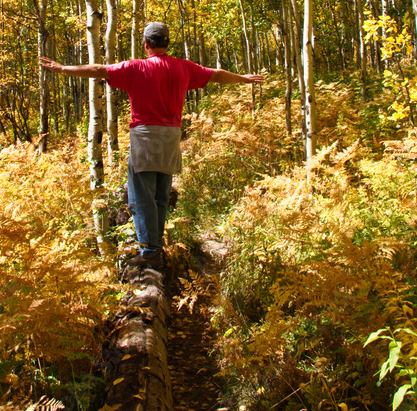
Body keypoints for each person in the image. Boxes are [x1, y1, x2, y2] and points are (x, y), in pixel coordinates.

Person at [40, 22, 264, 268]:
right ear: (166, 43)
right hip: (171, 137)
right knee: (160, 196)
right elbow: (216, 75)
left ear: (146, 44)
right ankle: (155, 246)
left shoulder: (136, 68)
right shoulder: (184, 67)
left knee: (140, 198)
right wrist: (243, 78)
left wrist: (62, 68)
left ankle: (149, 252)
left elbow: (99, 69)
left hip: (145, 137)